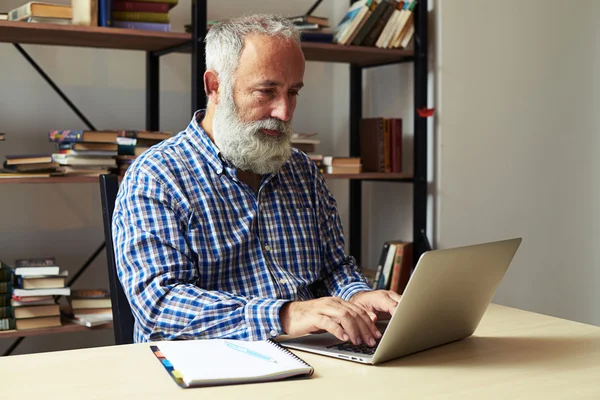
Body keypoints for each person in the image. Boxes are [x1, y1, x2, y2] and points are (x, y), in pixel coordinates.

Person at [112, 14, 401, 346]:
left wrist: (356, 296)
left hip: (309, 354)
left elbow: (333, 268)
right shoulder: (156, 176)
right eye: (267, 92)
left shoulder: (301, 170)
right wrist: (284, 315)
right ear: (215, 86)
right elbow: (160, 306)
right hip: (207, 368)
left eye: (293, 93)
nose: (285, 112)